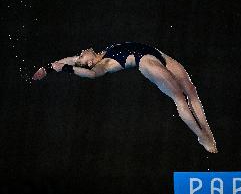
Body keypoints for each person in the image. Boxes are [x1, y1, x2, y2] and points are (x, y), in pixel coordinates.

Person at [32, 42, 218, 153]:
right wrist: (63, 68)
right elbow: (88, 73)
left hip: (157, 53)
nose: (79, 53)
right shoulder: (101, 65)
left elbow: (71, 59)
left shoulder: (100, 53)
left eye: (79, 54)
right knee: (179, 96)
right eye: (81, 56)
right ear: (89, 62)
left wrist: (48, 67)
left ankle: (207, 132)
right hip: (146, 61)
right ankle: (202, 137)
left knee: (191, 90)